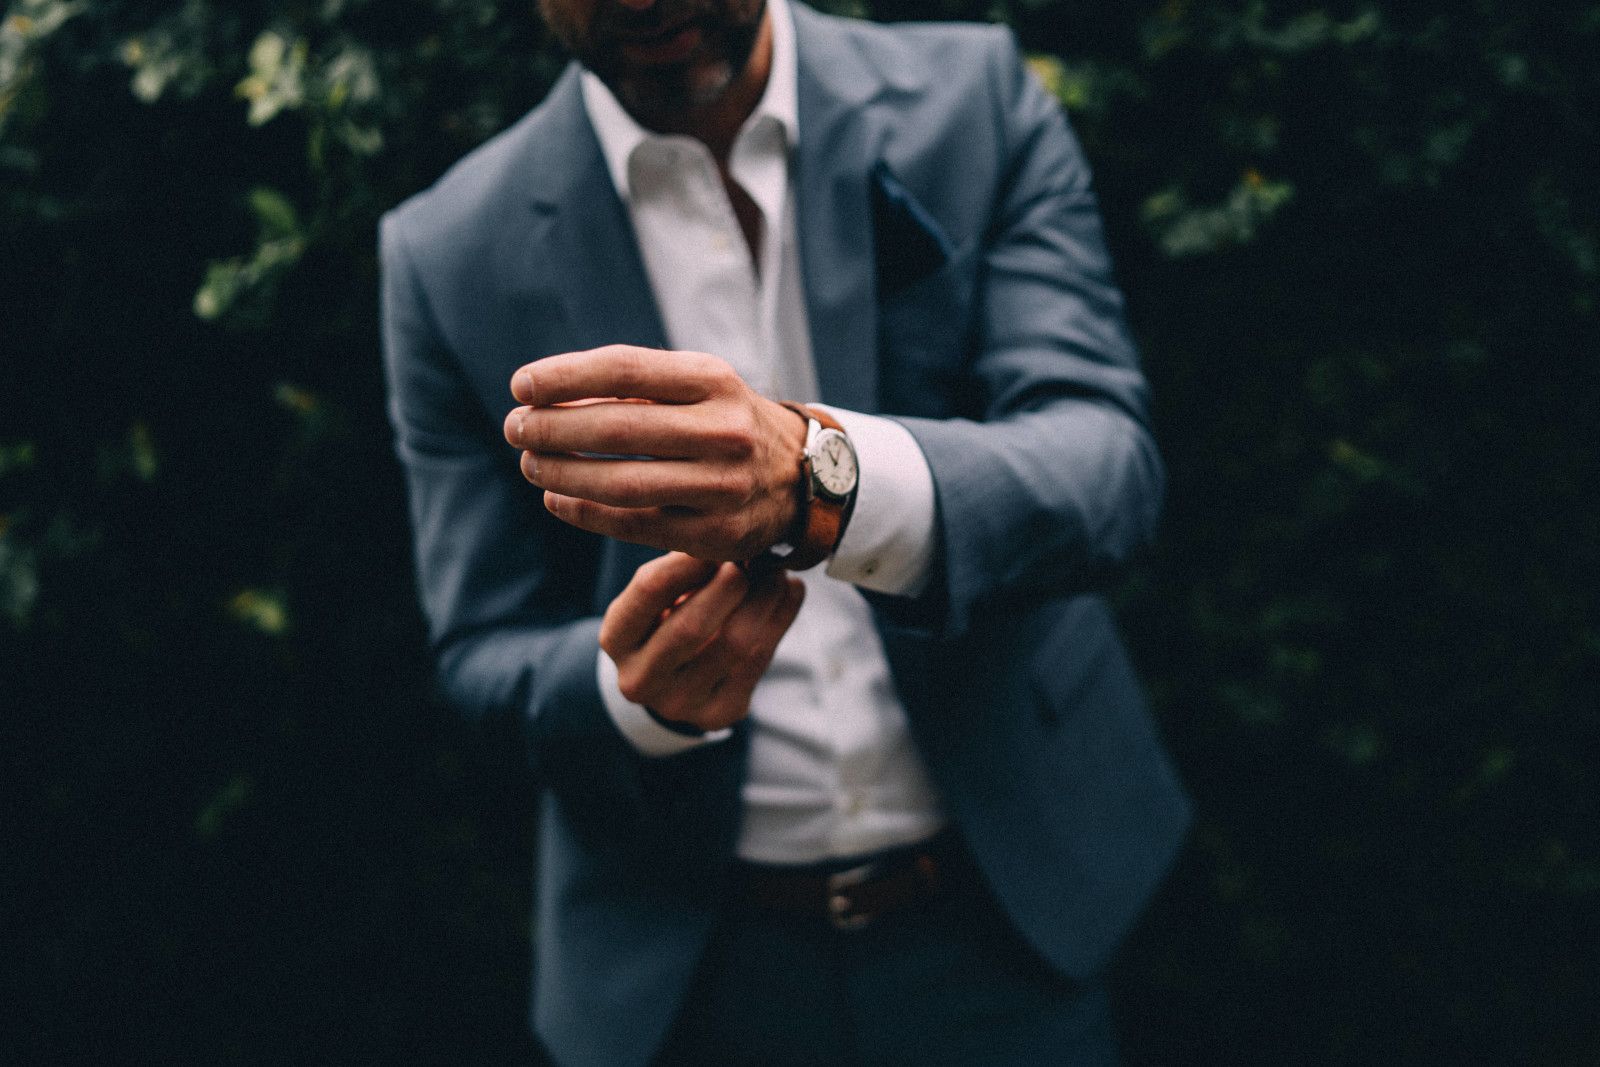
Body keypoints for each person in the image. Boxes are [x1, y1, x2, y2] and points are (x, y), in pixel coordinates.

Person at [379, 0, 1190, 1062]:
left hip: (1013, 916)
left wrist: (824, 483)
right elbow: (479, 650)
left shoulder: (973, 97)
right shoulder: (444, 253)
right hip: (693, 970)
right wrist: (639, 700)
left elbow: (1106, 468)